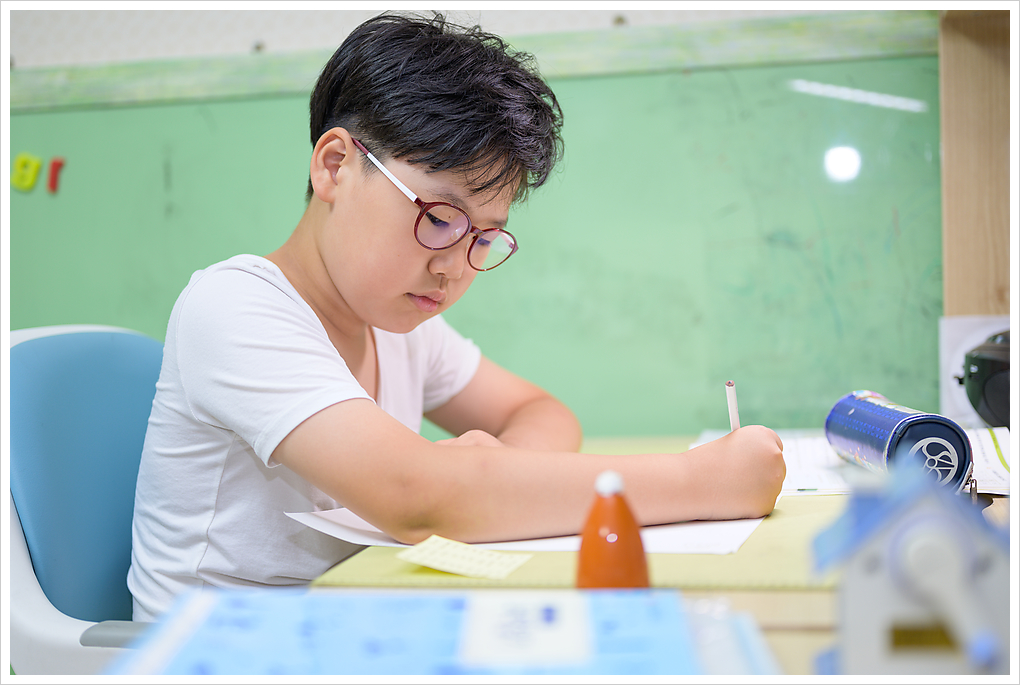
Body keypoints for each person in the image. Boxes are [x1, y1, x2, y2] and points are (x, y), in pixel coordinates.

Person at [128, 12, 785, 622]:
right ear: (336, 165)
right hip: (221, 651)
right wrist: (703, 481)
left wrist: (490, 476)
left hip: (352, 623)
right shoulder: (235, 307)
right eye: (440, 218)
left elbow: (542, 412)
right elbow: (417, 497)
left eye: (484, 237)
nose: (454, 268)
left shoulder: (396, 322)